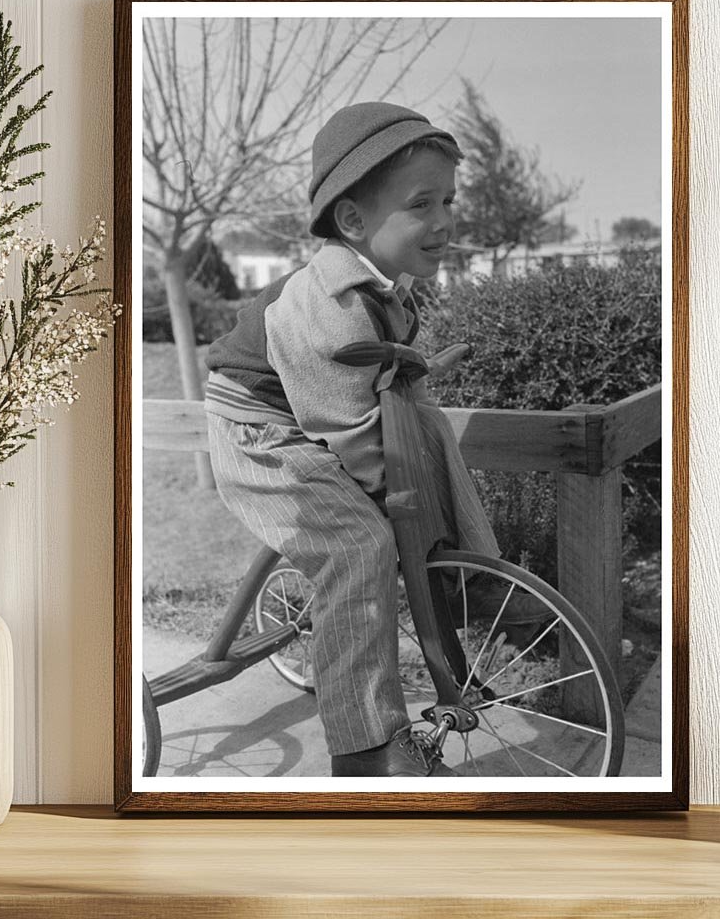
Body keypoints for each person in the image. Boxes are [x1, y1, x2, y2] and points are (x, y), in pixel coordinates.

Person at [204, 102, 548, 777]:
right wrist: (401, 507)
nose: (444, 220)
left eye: (448, 200)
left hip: (317, 412)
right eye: (421, 205)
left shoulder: (389, 287)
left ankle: (476, 585)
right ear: (354, 221)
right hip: (260, 432)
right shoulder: (324, 308)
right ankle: (364, 748)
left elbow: (375, 405)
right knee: (362, 542)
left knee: (433, 456)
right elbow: (346, 432)